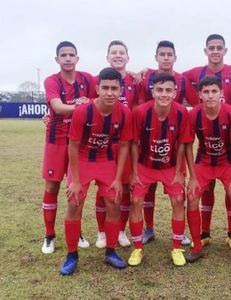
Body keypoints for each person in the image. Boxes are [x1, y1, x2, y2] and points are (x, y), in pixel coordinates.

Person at [59, 67, 132, 275]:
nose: (110, 92)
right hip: (82, 160)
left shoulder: (124, 112)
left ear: (120, 90)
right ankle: (71, 255)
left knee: (114, 202)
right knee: (74, 202)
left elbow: (125, 145)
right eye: (106, 88)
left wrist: (118, 179)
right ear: (97, 88)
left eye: (114, 88)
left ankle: (110, 252)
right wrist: (74, 180)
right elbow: (72, 145)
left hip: (105, 159)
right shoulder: (84, 111)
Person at [183, 34, 231, 248]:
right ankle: (203, 234)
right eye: (211, 47)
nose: (215, 51)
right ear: (206, 51)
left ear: (225, 50)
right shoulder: (196, 74)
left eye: (219, 47)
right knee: (204, 192)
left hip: (227, 150)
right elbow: (176, 77)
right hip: (205, 151)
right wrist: (147, 71)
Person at [137, 40, 198, 246]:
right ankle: (149, 229)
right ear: (156, 57)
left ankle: (180, 234)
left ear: (174, 57)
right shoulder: (146, 77)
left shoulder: (182, 80)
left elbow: (195, 102)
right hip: (149, 139)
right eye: (161, 54)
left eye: (169, 54)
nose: (165, 57)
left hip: (173, 141)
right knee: (147, 192)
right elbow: (136, 101)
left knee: (178, 193)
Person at [128, 73, 191, 267]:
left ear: (175, 92)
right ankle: (138, 248)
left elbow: (182, 143)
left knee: (179, 200)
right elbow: (133, 143)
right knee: (136, 200)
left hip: (170, 166)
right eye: (160, 90)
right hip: (144, 166)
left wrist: (180, 171)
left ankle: (176, 247)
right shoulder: (140, 112)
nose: (164, 94)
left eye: (168, 90)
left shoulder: (181, 112)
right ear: (153, 91)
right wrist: (133, 172)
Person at [41, 41, 95, 254]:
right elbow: (58, 107)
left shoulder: (87, 79)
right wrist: (81, 106)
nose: (68, 58)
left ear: (77, 58)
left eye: (71, 55)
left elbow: (104, 88)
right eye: (63, 55)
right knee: (52, 187)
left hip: (79, 142)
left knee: (77, 190)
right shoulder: (51, 81)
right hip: (56, 140)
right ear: (57, 59)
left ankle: (77, 231)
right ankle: (49, 235)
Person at [185, 76, 231, 264]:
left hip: (226, 163)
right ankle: (196, 246)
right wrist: (192, 176)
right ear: (200, 94)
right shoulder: (194, 114)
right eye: (206, 92)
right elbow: (187, 145)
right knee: (192, 197)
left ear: (221, 93)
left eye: (214, 91)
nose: (210, 96)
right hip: (204, 161)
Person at [95, 40, 138, 249]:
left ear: (127, 57)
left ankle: (121, 230)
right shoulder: (99, 79)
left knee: (126, 189)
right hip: (103, 144)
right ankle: (102, 232)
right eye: (114, 52)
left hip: (125, 143)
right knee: (103, 190)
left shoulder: (135, 80)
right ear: (108, 57)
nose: (118, 55)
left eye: (122, 52)